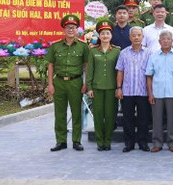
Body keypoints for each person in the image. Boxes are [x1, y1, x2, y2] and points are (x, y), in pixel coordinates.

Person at [47, 14, 88, 152]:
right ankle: (61, 141)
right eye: (68, 27)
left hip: (75, 82)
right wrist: (50, 84)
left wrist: (85, 83)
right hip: (59, 83)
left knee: (77, 113)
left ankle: (76, 141)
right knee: (60, 113)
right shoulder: (55, 46)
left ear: (77, 30)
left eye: (73, 27)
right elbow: (51, 65)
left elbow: (86, 65)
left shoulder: (83, 46)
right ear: (64, 29)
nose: (71, 30)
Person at [115, 26, 150, 152]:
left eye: (138, 35)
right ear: (130, 37)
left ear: (142, 37)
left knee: (143, 119)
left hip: (143, 92)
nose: (136, 37)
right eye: (133, 35)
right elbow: (120, 71)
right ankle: (129, 143)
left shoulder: (148, 53)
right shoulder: (123, 53)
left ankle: (143, 142)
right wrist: (119, 88)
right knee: (127, 119)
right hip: (127, 91)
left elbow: (150, 73)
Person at [86, 20, 121, 151]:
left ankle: (108, 141)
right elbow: (90, 70)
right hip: (97, 88)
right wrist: (89, 87)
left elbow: (119, 71)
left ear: (111, 35)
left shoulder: (117, 51)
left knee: (111, 116)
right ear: (99, 36)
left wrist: (119, 87)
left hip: (112, 88)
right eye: (102, 33)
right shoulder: (93, 51)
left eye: (107, 33)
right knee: (98, 116)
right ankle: (100, 142)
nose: (105, 36)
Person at [146, 30, 173, 152]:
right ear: (159, 41)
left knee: (172, 119)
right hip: (157, 92)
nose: (166, 41)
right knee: (157, 119)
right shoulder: (153, 56)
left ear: (172, 41)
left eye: (168, 39)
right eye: (163, 39)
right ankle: (157, 143)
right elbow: (149, 75)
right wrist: (150, 93)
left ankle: (172, 143)